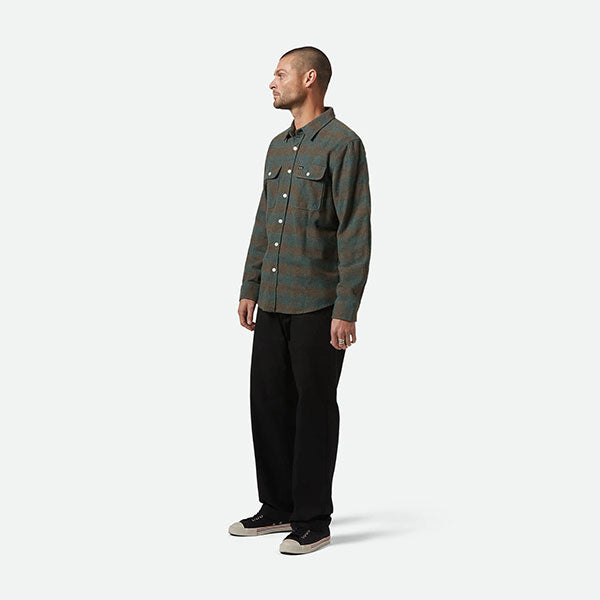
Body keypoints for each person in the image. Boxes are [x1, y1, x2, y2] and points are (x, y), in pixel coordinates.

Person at [230, 46, 372, 555]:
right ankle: (278, 506)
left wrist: (346, 308)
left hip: (317, 304)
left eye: (280, 73)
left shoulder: (343, 144)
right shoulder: (277, 147)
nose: (272, 82)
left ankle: (313, 519)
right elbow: (263, 221)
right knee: (267, 404)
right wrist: (250, 286)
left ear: (310, 79)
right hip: (273, 300)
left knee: (314, 410)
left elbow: (354, 230)